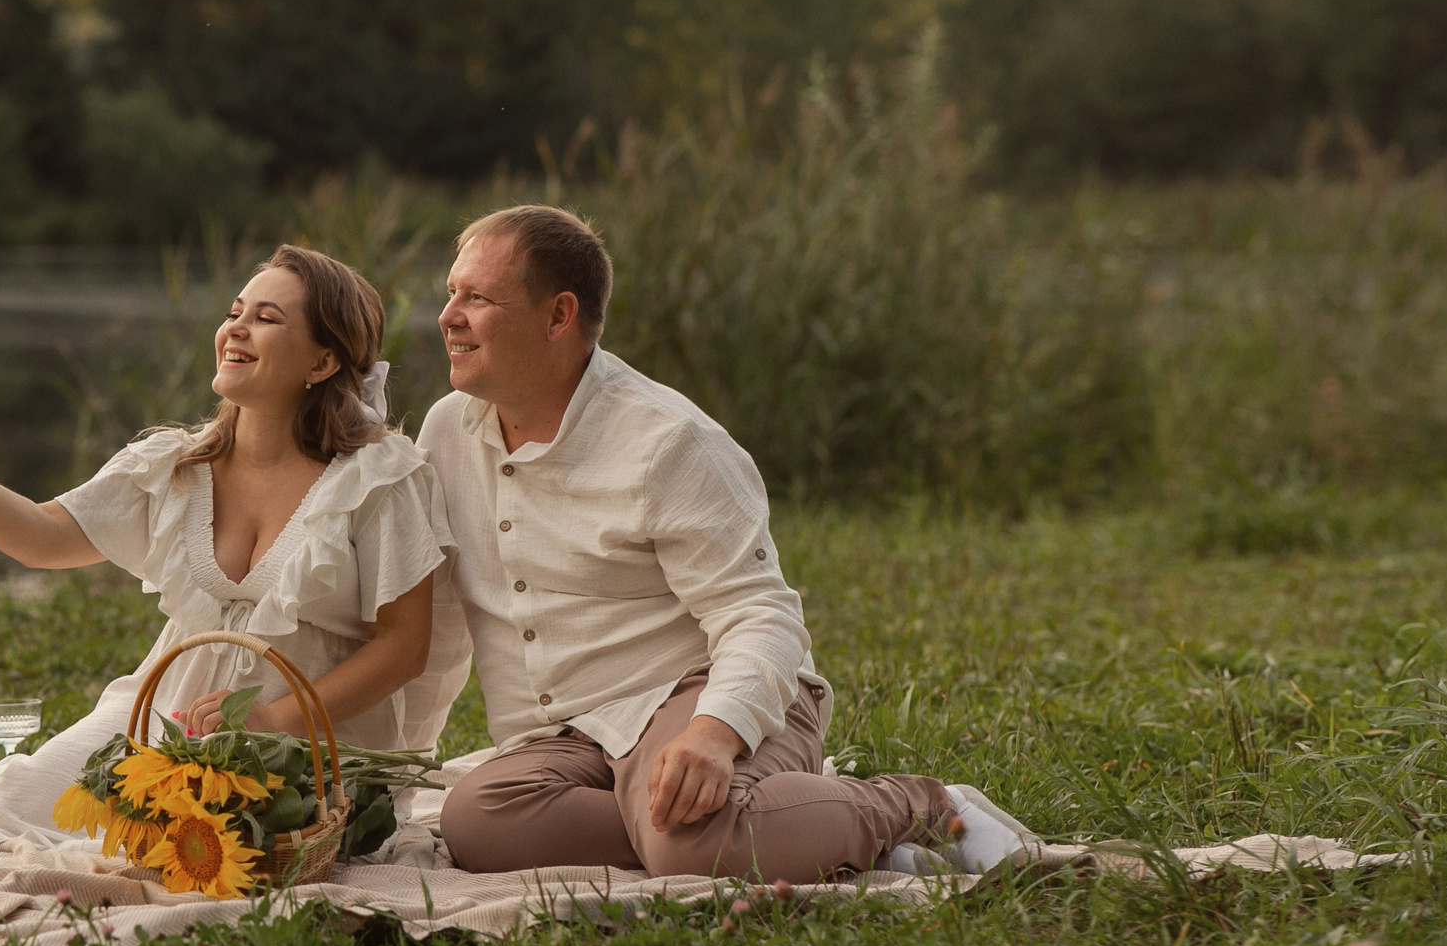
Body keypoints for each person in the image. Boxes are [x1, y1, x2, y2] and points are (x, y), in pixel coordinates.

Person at [423, 206, 1035, 881]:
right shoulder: (446, 432)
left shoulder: (668, 441)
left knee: (691, 847)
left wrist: (714, 736)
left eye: (476, 297)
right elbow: (436, 623)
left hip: (696, 689)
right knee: (477, 822)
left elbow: (762, 615)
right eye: (452, 293)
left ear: (558, 316)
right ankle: (790, 831)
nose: (450, 314)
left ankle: (918, 806)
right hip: (570, 737)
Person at [0, 245, 470, 850]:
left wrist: (271, 719)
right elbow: (43, 537)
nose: (236, 327)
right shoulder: (176, 464)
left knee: (216, 845)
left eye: (267, 318)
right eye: (235, 311)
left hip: (311, 739)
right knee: (16, 807)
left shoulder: (377, 477)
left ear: (322, 361)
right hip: (170, 711)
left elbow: (404, 646)